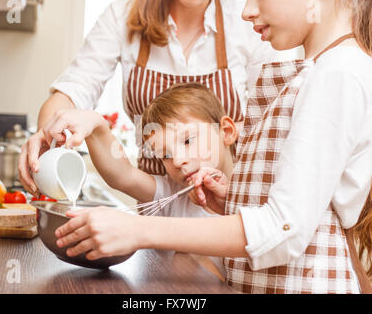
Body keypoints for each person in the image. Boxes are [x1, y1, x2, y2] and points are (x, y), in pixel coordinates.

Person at [52, 0, 372, 294]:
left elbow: (284, 228)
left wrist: (138, 229)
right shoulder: (321, 71)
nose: (246, 9)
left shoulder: (338, 74)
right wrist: (237, 199)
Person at [18, 0, 283, 195]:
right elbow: (74, 91)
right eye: (167, 152)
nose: (180, 159)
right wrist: (49, 133)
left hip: (230, 199)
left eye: (188, 141)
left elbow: (276, 121)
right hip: (155, 204)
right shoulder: (122, 17)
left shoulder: (248, 22)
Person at [44, 83, 237, 274]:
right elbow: (123, 175)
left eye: (187, 141)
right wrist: (96, 124)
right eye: (165, 156)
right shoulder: (173, 193)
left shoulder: (255, 191)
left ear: (226, 132)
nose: (177, 160)